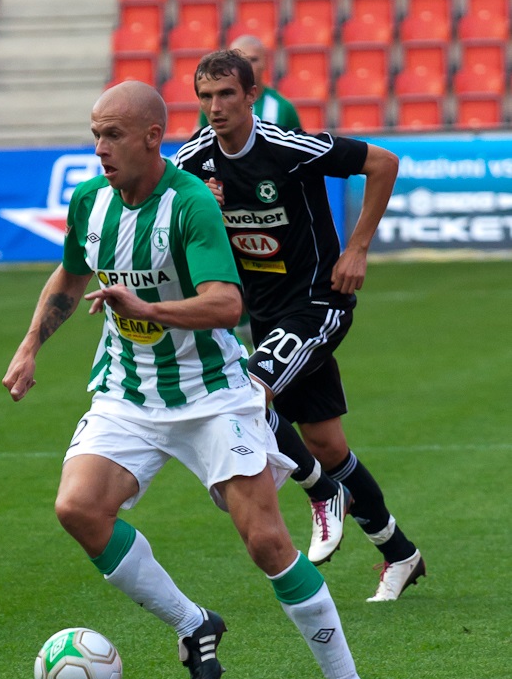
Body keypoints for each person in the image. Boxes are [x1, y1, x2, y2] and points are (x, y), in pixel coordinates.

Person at [3, 80, 375, 679]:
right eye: (95, 134)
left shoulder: (192, 203)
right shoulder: (90, 202)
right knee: (79, 509)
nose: (100, 148)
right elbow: (70, 272)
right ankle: (193, 622)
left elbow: (227, 304)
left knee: (265, 539)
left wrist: (146, 306)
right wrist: (31, 342)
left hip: (213, 395)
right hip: (127, 391)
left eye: (113, 134)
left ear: (153, 137)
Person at [174, 51, 426, 603]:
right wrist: (203, 208)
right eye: (206, 97)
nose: (215, 108)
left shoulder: (288, 147)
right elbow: (172, 221)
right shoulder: (194, 163)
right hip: (262, 313)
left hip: (318, 301)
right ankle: (400, 553)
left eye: (226, 96)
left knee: (248, 394)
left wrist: (357, 248)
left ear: (251, 95)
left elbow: (383, 161)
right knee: (327, 443)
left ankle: (320, 493)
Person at [198, 34, 301, 130]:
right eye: (239, 60)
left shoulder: (284, 107)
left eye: (253, 60)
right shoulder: (214, 105)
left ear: (265, 62)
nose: (247, 66)